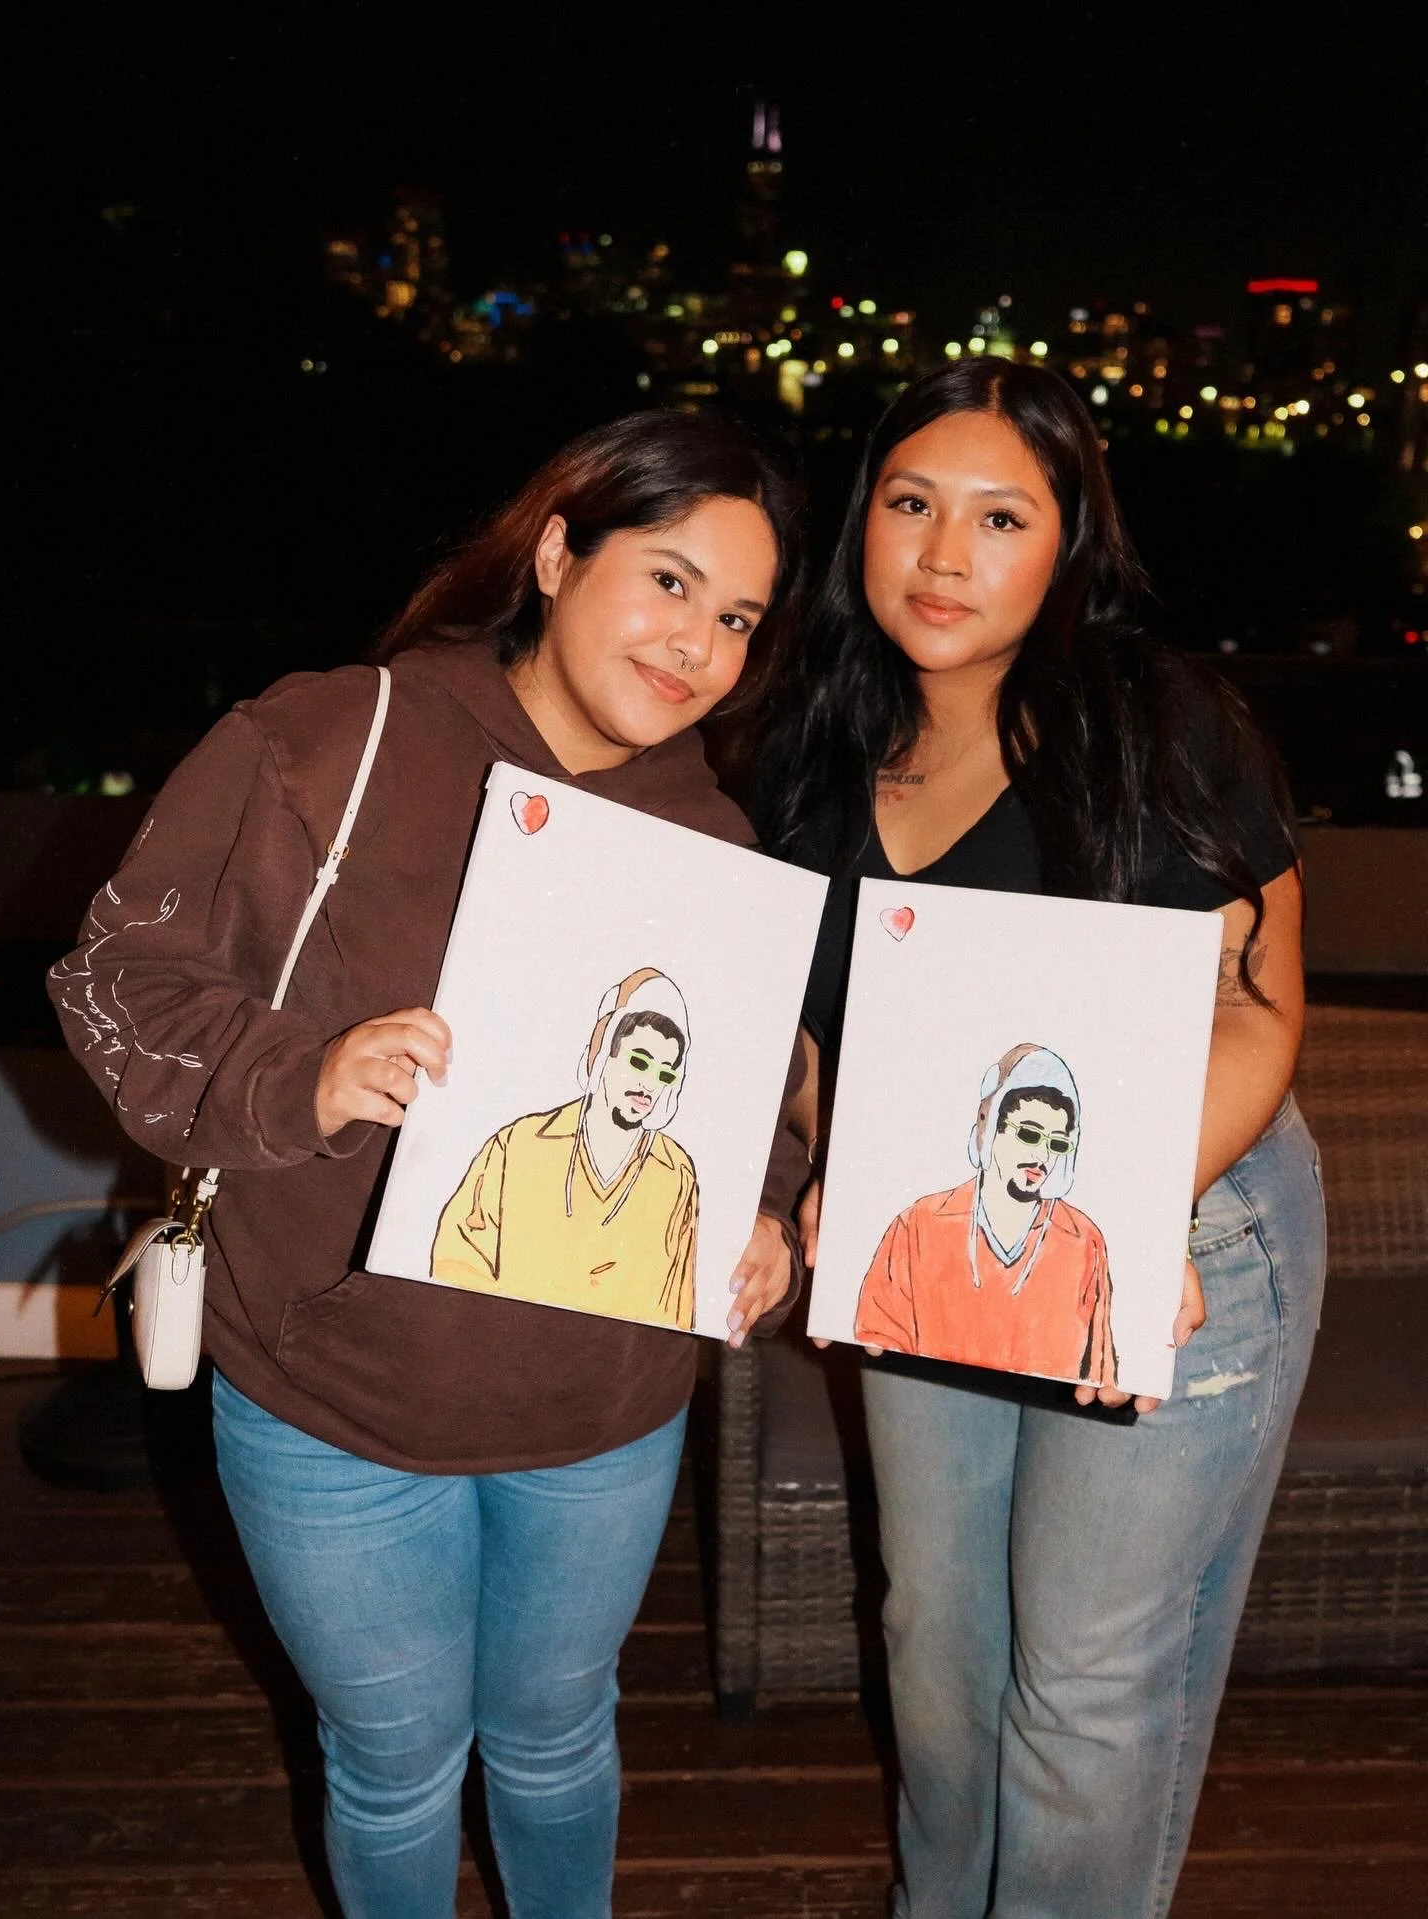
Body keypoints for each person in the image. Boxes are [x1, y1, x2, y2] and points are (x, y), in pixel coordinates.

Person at [50, 409, 810, 1919]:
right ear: (558, 552)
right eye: (668, 580)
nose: (697, 643)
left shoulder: (714, 833)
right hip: (338, 1402)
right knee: (394, 1763)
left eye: (737, 617)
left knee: (559, 1734)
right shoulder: (335, 739)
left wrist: (770, 1215)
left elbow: (761, 1093)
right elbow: (117, 980)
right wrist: (307, 1072)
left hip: (602, 1410)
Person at [753, 361, 1325, 1919]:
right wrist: (838, 1162)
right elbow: (815, 1036)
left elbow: (1260, 1009)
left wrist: (1129, 1212)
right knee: (935, 1636)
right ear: (862, 521)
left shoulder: (1157, 720)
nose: (945, 554)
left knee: (1084, 1673)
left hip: (1184, 1213)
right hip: (941, 1220)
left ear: (1070, 541)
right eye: (911, 503)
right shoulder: (816, 739)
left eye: (1001, 517)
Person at [431, 966, 700, 1328]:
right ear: (602, 1054)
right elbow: (456, 1262)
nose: (649, 1085)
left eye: (664, 1074)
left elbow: (678, 1309)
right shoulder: (518, 1146)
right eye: (639, 1062)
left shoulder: (676, 1175)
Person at [855, 1042, 1115, 1387]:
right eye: (1029, 1134)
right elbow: (879, 1333)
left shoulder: (1083, 1242)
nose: (1042, 1157)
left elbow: (1099, 1367)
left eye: (1056, 1143)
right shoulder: (919, 1226)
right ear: (989, 1126)